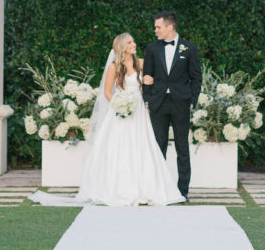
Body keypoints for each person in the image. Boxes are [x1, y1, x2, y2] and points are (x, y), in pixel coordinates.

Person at [31, 32, 184, 207]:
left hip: (139, 112)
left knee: (142, 146)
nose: (134, 44)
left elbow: (159, 77)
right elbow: (107, 92)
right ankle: (120, 190)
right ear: (122, 47)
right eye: (129, 43)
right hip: (120, 113)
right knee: (120, 149)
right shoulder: (114, 67)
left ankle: (146, 189)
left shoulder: (141, 63)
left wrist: (152, 83)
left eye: (133, 41)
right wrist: (120, 105)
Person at [141, 11, 202, 199]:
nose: (155, 31)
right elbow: (147, 76)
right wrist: (147, 98)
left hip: (180, 104)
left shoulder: (189, 49)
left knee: (182, 148)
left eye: (158, 27)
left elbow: (196, 77)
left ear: (170, 27)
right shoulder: (152, 49)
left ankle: (183, 192)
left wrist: (191, 100)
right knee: (158, 148)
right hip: (158, 104)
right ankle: (159, 191)